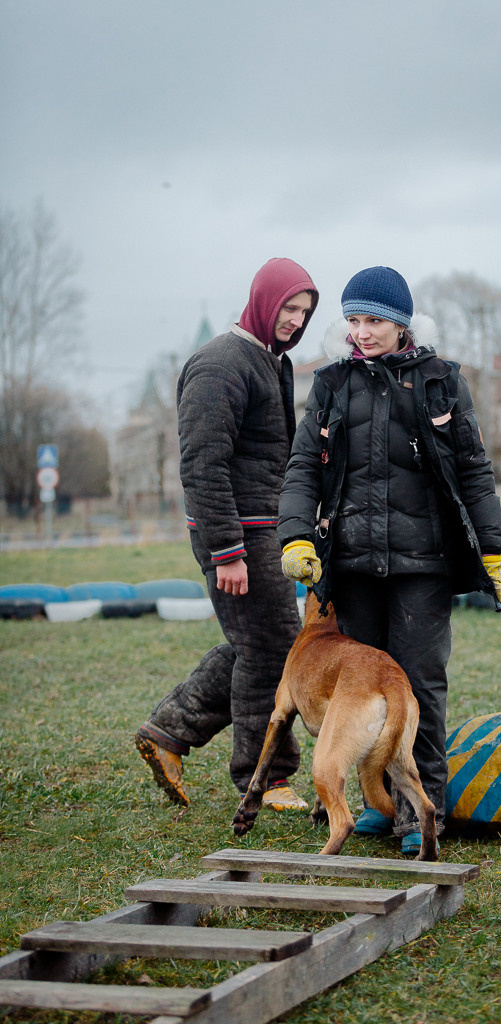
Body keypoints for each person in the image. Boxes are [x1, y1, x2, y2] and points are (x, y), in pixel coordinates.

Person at [278, 266, 501, 854]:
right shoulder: (330, 383)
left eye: (374, 320)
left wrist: (493, 545)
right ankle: (377, 802)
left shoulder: (441, 381)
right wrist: (297, 538)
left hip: (422, 565)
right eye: (353, 320)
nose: (361, 332)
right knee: (361, 695)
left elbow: (475, 468)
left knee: (421, 685)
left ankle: (420, 815)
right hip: (350, 567)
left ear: (402, 323)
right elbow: (303, 466)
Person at [135, 257, 318, 811]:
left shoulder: (270, 361)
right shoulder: (219, 363)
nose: (294, 320)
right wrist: (226, 552)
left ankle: (168, 732)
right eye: (288, 307)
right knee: (271, 650)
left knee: (257, 645)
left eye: (304, 312)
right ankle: (267, 778)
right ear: (263, 300)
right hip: (238, 534)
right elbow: (202, 465)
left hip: (269, 529)